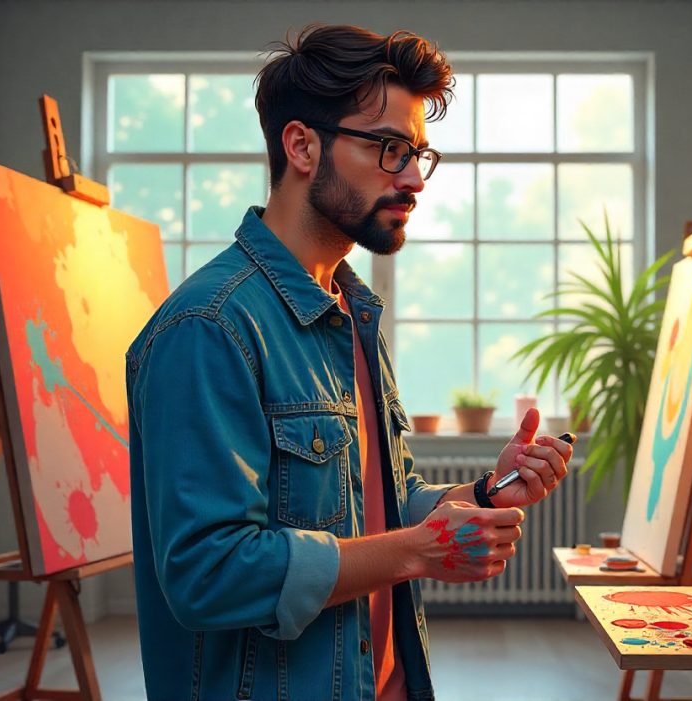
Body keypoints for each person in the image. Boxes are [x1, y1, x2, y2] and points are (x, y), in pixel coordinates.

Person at [126, 23, 574, 701]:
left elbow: (373, 509)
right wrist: (418, 550)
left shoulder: (352, 314)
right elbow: (206, 571)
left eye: (420, 152)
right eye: (390, 149)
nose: (416, 178)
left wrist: (481, 493)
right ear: (302, 145)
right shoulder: (209, 327)